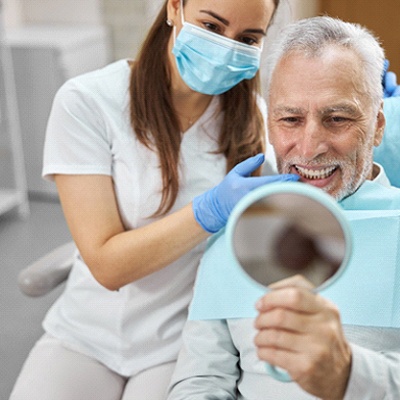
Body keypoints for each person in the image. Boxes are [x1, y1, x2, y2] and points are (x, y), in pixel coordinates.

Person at [10, 1, 302, 399]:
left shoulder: (255, 121)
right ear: (174, 8)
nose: (227, 47)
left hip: (180, 342)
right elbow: (107, 266)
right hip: (84, 334)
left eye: (248, 39)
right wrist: (209, 210)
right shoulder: (89, 102)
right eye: (212, 27)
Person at [167, 16, 400, 399]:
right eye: (290, 119)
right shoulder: (236, 233)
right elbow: (201, 380)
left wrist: (349, 374)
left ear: (377, 125)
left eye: (337, 119)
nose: (309, 149)